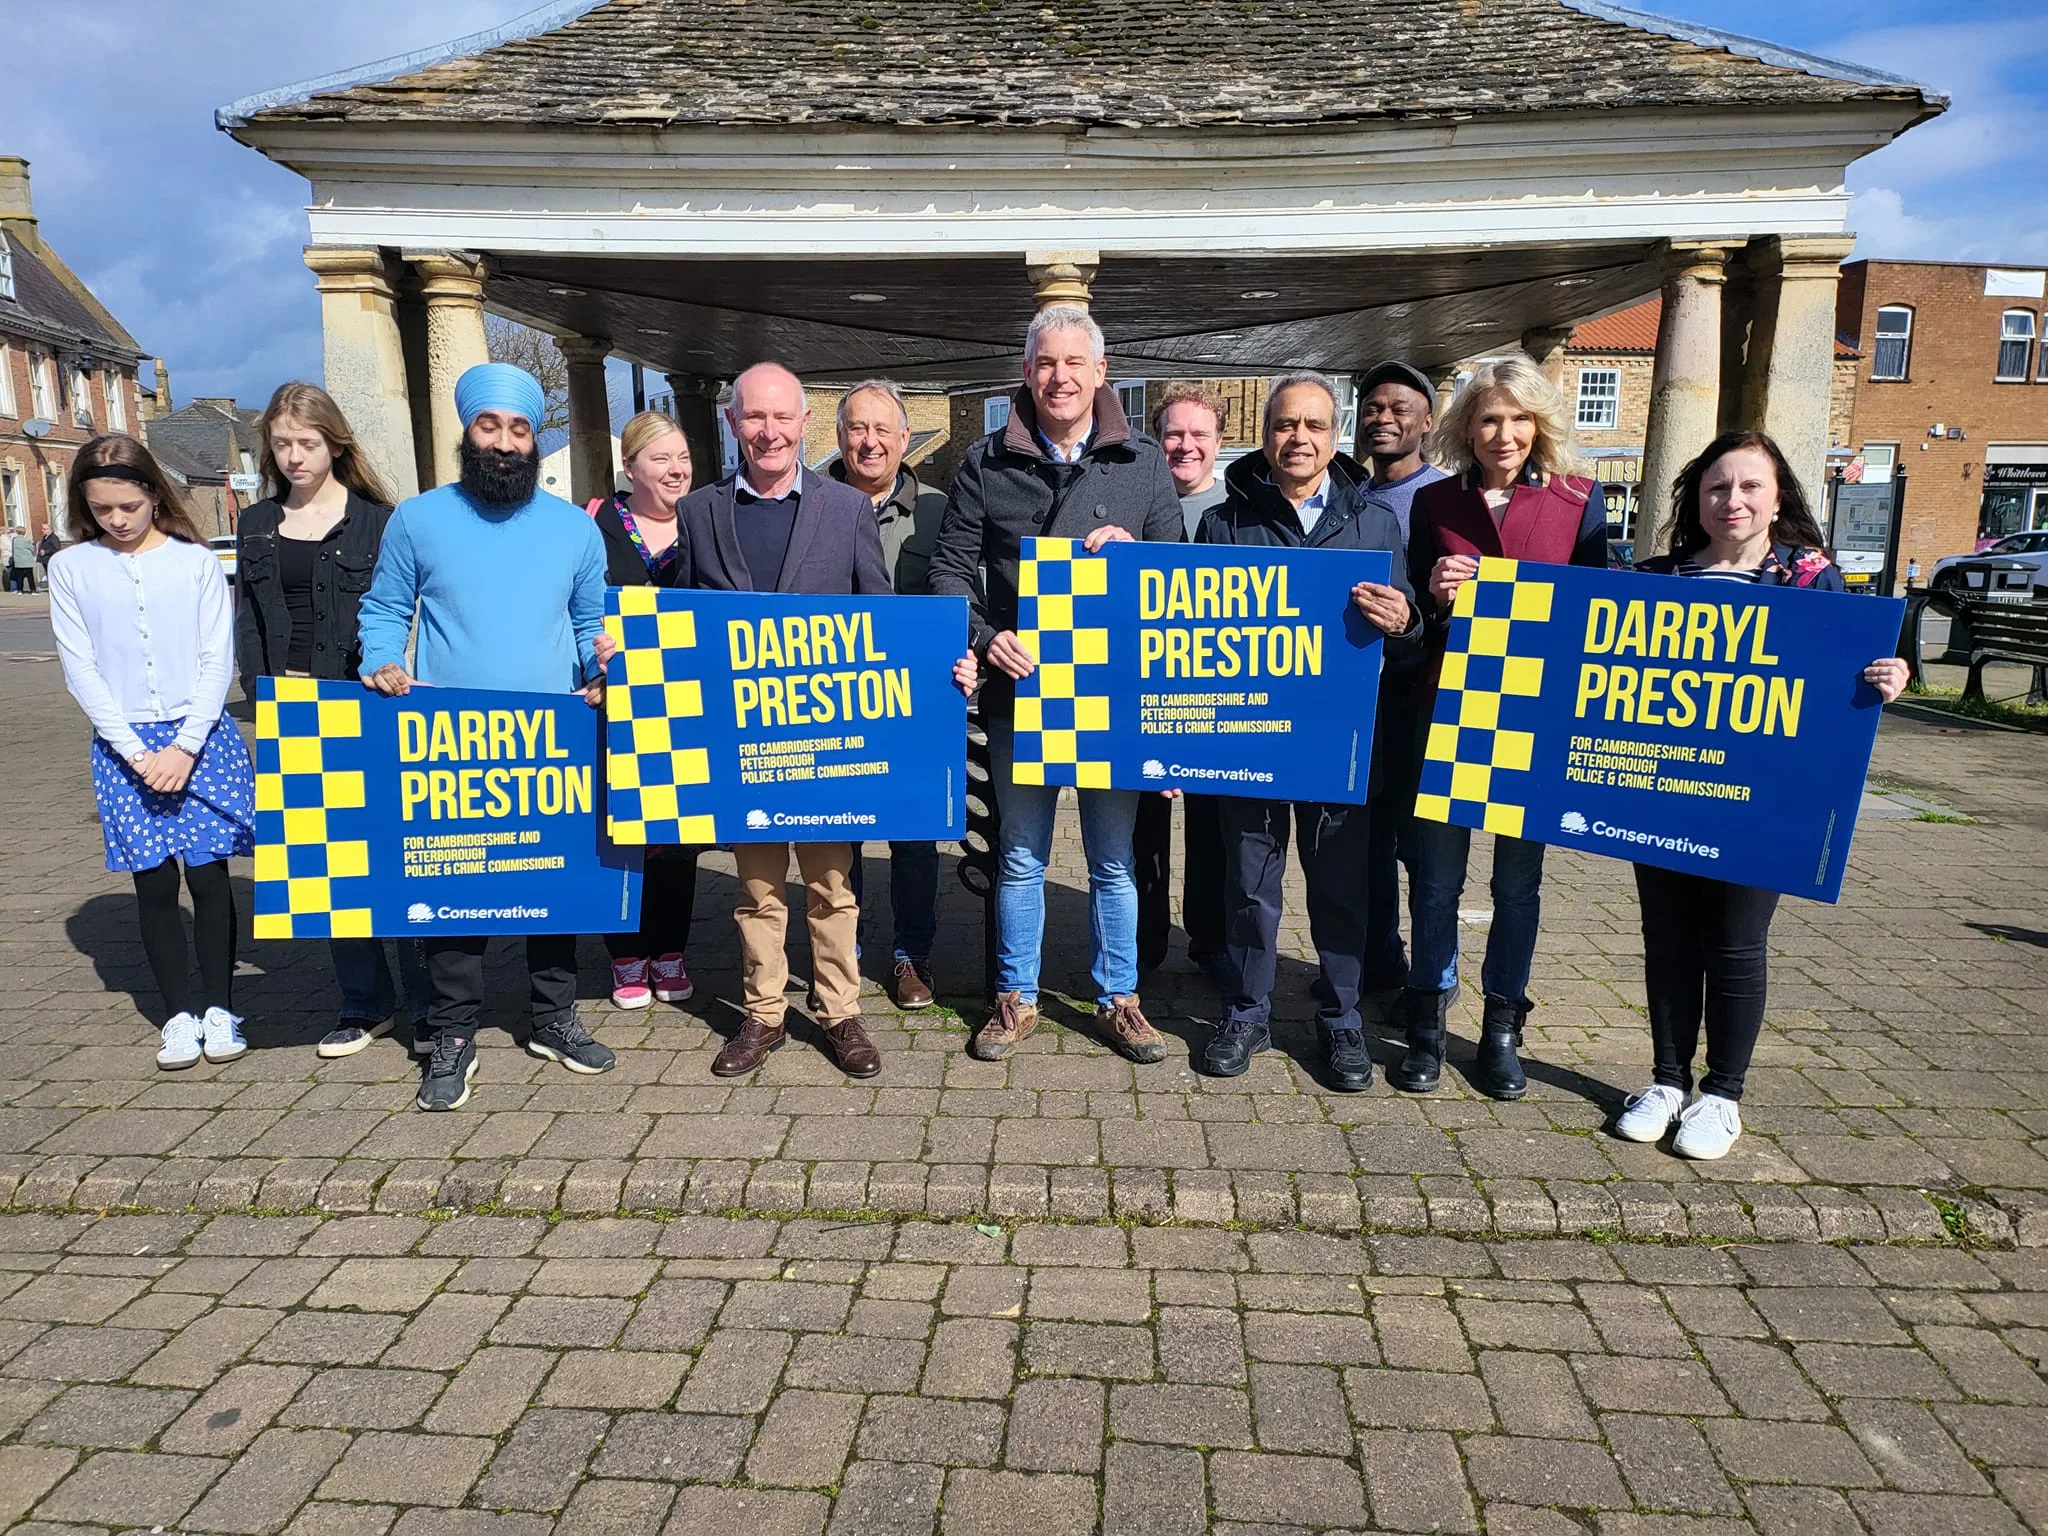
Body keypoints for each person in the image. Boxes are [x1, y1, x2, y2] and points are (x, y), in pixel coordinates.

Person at [1616, 430, 1906, 1158]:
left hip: (1762, 803)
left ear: (1779, 499)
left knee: (1737, 942)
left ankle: (1723, 1095)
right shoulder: (1654, 579)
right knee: (1668, 939)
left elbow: (1854, 674)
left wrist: (1887, 679)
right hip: (1664, 793)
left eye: (1749, 486)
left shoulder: (1814, 585)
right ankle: (1667, 1081)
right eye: (1718, 486)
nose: (1732, 500)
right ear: (1697, 498)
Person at [668, 363, 961, 1081]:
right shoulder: (700, 511)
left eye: (781, 418)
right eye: (754, 418)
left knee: (832, 887)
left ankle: (839, 1012)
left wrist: (936, 668)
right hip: (742, 746)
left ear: (803, 425)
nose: (768, 432)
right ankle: (762, 1016)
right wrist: (629, 649)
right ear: (735, 423)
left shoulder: (843, 509)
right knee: (758, 891)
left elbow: (882, 616)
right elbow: (676, 617)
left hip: (827, 741)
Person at [929, 305, 1183, 1064]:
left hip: (1111, 696)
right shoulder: (985, 461)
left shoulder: (1143, 463)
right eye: (1046, 363)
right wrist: (983, 636)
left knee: (1113, 858)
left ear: (1100, 373)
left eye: (1075, 363)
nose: (1060, 377)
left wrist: (1138, 554)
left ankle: (1120, 998)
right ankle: (1015, 997)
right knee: (1020, 855)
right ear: (1026, 371)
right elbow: (949, 569)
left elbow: (1182, 578)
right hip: (1023, 692)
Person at [357, 362, 614, 1111]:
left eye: (519, 429)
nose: (503, 443)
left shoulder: (574, 529)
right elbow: (383, 608)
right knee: (456, 891)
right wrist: (380, 660)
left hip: (556, 738)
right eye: (489, 426)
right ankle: (453, 1034)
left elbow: (592, 620)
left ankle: (552, 1015)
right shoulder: (418, 519)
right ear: (467, 432)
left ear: (537, 440)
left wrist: (604, 668)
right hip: (452, 738)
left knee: (557, 886)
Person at [1193, 372, 1422, 1090]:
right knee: (1249, 886)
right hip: (1249, 738)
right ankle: (1247, 1009)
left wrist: (1405, 622)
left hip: (1337, 743)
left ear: (1336, 436)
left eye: (1315, 426)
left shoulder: (1375, 520)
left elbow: (1411, 634)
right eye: (1286, 425)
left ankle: (1341, 1017)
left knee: (1341, 886)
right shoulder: (1224, 523)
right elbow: (1186, 638)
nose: (1299, 438)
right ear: (1265, 434)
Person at [1398, 352, 1609, 1101]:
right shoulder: (1434, 505)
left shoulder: (1581, 501)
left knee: (1518, 884)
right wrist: (1430, 592)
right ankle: (1427, 1024)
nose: (1505, 433)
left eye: (1520, 418)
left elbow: (1598, 616)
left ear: (1541, 424)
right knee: (1435, 882)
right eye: (1489, 418)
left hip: (1535, 714)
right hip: (1449, 705)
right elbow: (1415, 625)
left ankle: (1500, 1031)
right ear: (1466, 426)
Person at [236, 381, 429, 1060]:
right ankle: (363, 1001)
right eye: (282, 443)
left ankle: (426, 1000)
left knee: (395, 854)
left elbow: (404, 614)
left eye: (307, 442)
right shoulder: (256, 523)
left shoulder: (380, 520)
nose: (294, 456)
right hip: (294, 708)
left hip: (373, 705)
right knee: (332, 864)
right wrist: (260, 698)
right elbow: (249, 622)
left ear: (335, 443)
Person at [48, 435, 254, 1070]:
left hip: (201, 737)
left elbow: (217, 655)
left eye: (128, 506)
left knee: (211, 879)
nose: (116, 519)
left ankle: (220, 1008)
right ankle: (177, 1015)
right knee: (155, 882)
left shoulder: (194, 562)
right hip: (124, 743)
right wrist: (136, 753)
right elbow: (80, 666)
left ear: (154, 496)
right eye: (102, 508)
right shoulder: (71, 568)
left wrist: (187, 745)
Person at [830, 379, 950, 1009]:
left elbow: (960, 595)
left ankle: (911, 954)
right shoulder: (810, 505)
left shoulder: (939, 509)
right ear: (840, 436)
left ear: (906, 439)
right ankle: (840, 951)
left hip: (913, 705)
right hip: (828, 704)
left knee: (913, 834)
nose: (869, 442)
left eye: (883, 430)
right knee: (836, 832)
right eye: (857, 428)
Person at [590, 408, 701, 1013]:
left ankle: (670, 951)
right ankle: (626, 954)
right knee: (622, 828)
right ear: (629, 466)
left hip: (685, 703)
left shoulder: (704, 523)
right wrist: (591, 655)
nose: (675, 470)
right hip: (614, 701)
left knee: (679, 833)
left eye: (682, 458)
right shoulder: (594, 524)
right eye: (660, 458)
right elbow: (574, 607)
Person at [1353, 361, 1450, 997]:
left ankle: (1430, 982)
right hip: (1365, 695)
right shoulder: (1349, 496)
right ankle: (1381, 961)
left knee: (1422, 850)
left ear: (1427, 421)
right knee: (1367, 843)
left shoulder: (1441, 499)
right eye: (1372, 406)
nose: (1383, 418)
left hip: (1424, 699)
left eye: (1399, 407)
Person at [1134, 383, 1235, 992]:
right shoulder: (1132, 504)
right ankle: (1143, 942)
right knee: (1141, 827)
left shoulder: (1237, 512)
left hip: (1218, 699)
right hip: (1142, 694)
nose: (1185, 445)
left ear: (1219, 443)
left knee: (1214, 829)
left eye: (1200, 434)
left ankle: (1210, 938)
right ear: (1154, 438)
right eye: (1173, 433)